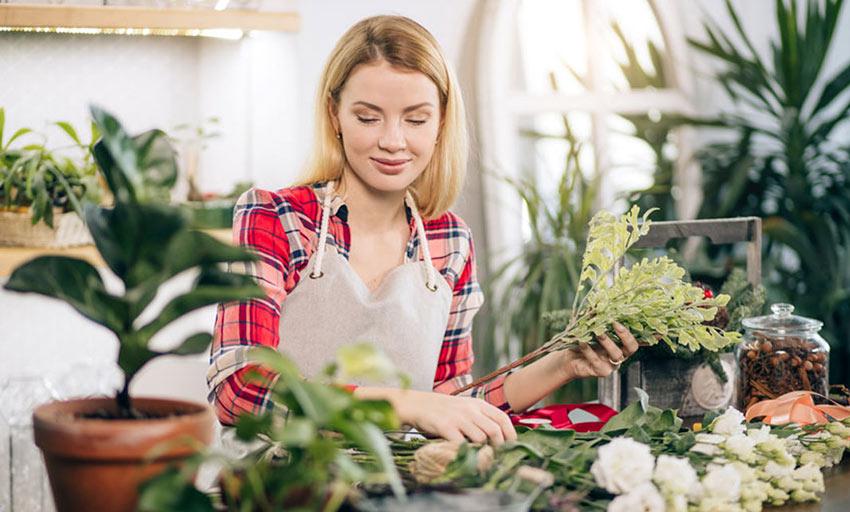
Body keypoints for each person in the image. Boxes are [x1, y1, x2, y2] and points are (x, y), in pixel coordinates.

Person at [208, 15, 639, 446]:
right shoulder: (276, 218)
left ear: (440, 123)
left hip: (397, 489)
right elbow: (239, 388)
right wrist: (406, 404)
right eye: (368, 117)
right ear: (333, 114)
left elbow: (450, 400)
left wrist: (562, 364)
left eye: (415, 120)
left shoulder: (448, 242)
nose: (393, 141)